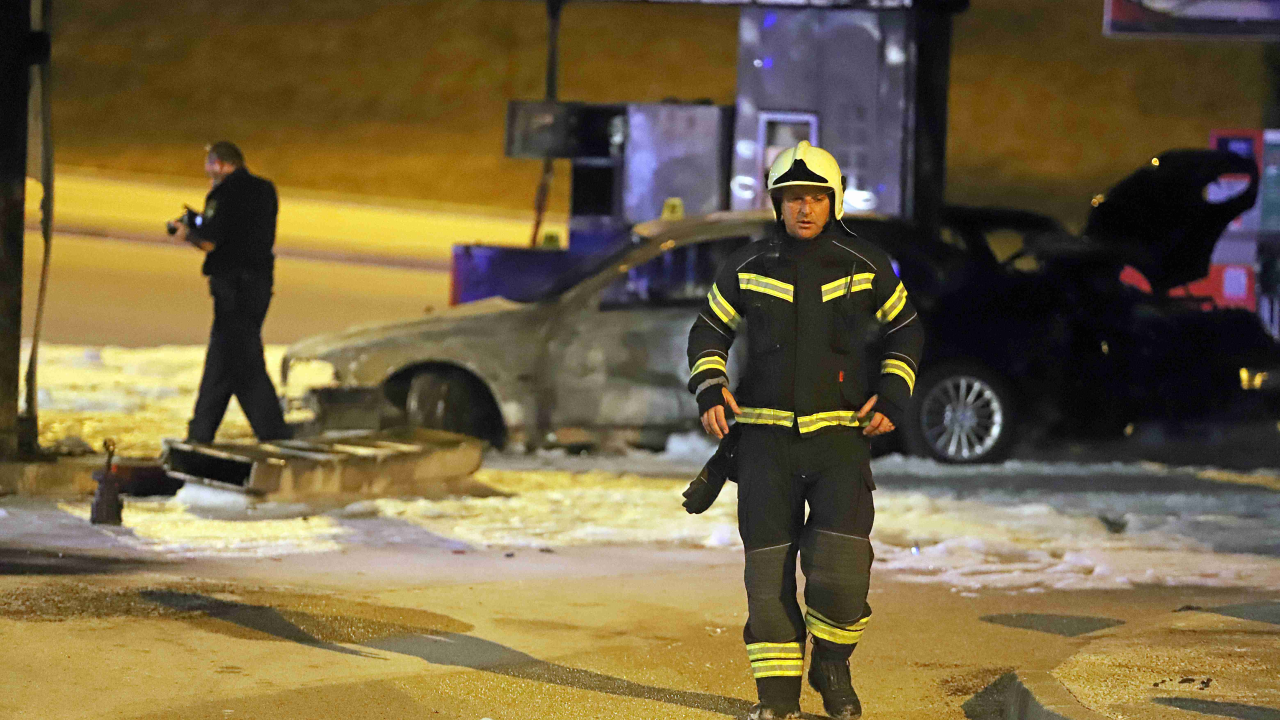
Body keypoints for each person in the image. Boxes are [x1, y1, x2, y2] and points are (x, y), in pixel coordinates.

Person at [685, 141, 923, 720]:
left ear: (833, 201)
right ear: (776, 204)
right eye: (793, 199)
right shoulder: (748, 264)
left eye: (816, 197)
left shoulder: (864, 262)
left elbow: (908, 330)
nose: (805, 210)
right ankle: (777, 702)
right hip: (764, 445)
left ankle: (832, 666)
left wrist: (893, 394)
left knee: (841, 576)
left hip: (841, 441)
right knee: (767, 584)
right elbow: (708, 330)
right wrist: (710, 385)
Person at [169, 141, 290, 444]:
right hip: (259, 285)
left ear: (221, 164)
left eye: (210, 164)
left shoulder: (222, 194)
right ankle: (200, 434)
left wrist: (187, 234)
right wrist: (201, 219)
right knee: (223, 361)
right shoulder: (265, 190)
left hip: (232, 289)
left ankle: (275, 436)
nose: (208, 170)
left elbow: (211, 240)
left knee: (242, 364)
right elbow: (241, 227)